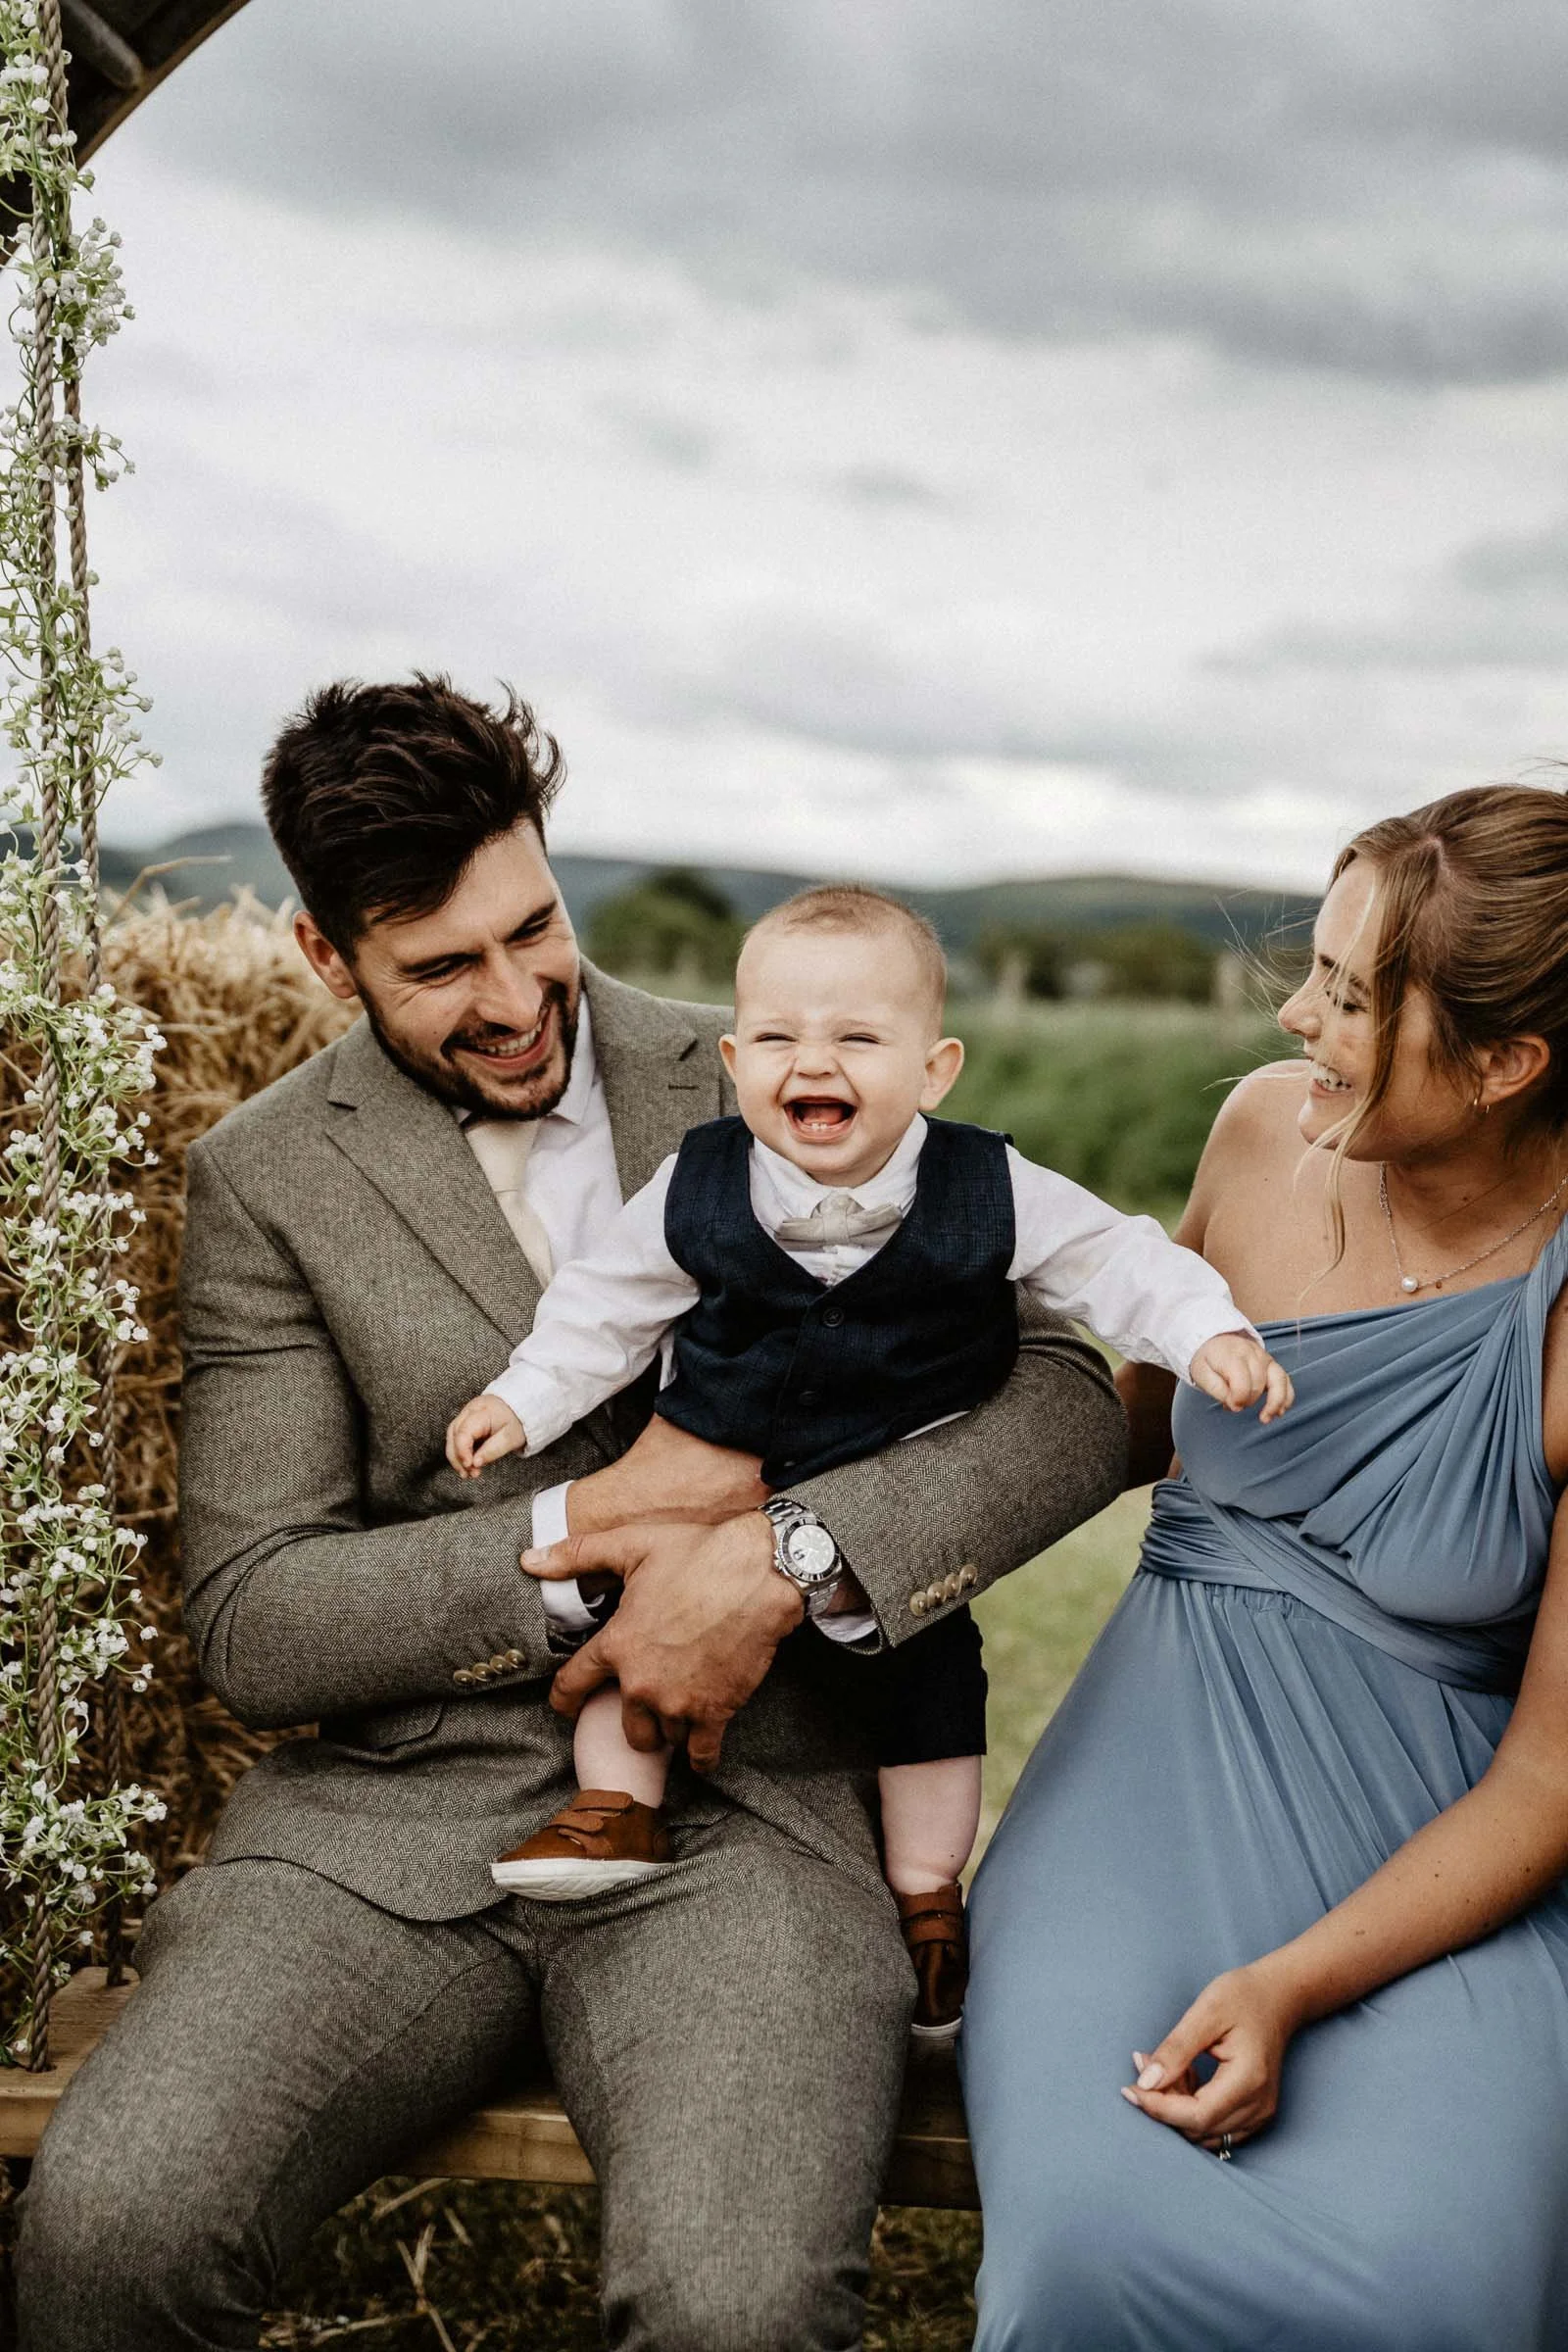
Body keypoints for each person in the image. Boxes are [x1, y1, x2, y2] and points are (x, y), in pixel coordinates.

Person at [17, 675, 1129, 2352]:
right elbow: (257, 1616)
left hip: (753, 1828)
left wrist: (784, 1558)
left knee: (738, 2311)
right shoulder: (266, 1174)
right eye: (439, 968)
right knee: (108, 2235)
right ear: (324, 957)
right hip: (384, 1836)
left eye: (533, 928)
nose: (516, 996)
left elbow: (1068, 1400)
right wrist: (588, 1537)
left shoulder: (784, 1061)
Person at [446, 883, 1290, 2042]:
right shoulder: (697, 1182)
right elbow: (604, 1310)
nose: (813, 1062)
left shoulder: (990, 1187)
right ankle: (613, 1808)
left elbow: (1117, 1262)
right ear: (735, 1062)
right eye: (778, 1038)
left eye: (855, 1037)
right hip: (715, 1482)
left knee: (929, 1683)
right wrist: (522, 1399)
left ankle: (930, 1898)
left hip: (884, 1501)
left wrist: (1205, 1335)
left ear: (934, 1071)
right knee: (630, 1619)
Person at [963, 781, 1568, 2352]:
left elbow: (1553, 1779)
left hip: (1445, 1852)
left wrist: (1295, 1982)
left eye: (1351, 998)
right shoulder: (1255, 1135)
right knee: (1085, 2247)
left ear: (1506, 1063)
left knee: (1435, 2288)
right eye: (1312, 972)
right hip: (1140, 1798)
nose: (1297, 1018)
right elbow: (1117, 1426)